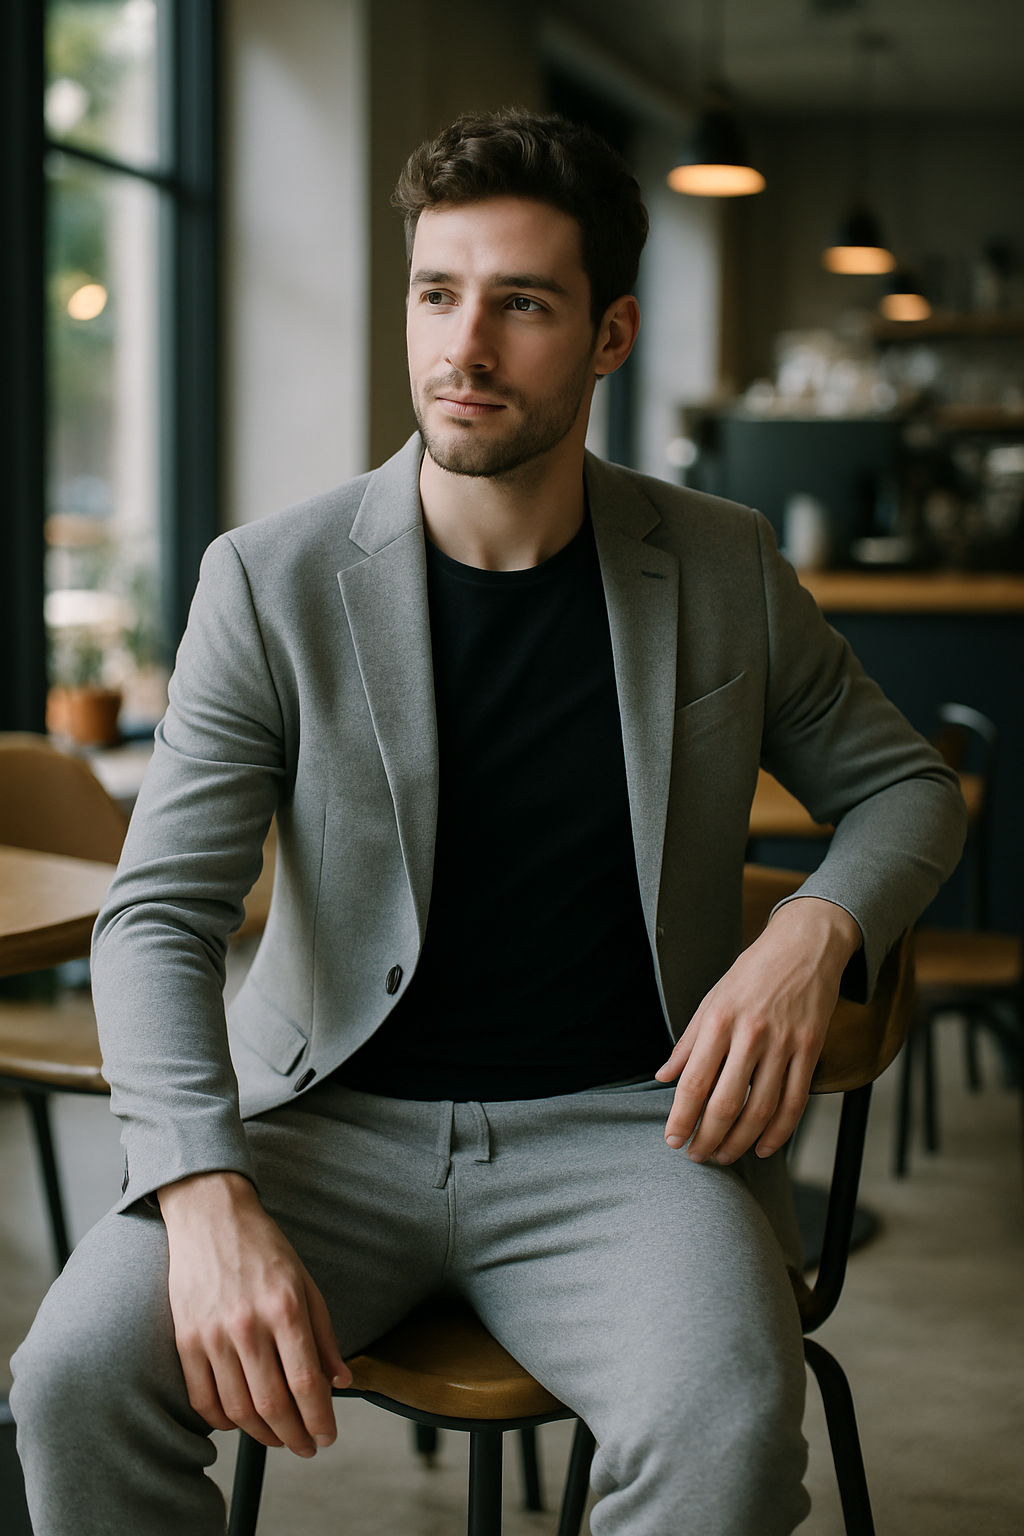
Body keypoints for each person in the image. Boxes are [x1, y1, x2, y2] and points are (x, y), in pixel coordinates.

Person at [12, 109, 965, 1535]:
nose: (464, 348)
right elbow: (157, 915)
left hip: (631, 1140)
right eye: (437, 293)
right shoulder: (268, 582)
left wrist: (813, 930)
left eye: (521, 303)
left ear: (609, 334)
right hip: (320, 1126)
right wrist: (202, 1193)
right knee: (73, 1379)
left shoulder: (722, 565)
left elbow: (908, 787)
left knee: (725, 1431)